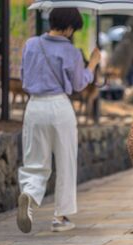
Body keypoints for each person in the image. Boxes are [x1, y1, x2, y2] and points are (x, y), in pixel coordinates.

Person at [17, 8, 101, 233]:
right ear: (70, 27)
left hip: (34, 106)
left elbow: (24, 77)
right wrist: (92, 64)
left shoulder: (31, 45)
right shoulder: (71, 51)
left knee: (34, 159)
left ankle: (30, 195)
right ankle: (60, 217)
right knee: (65, 162)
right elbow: (78, 84)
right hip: (59, 106)